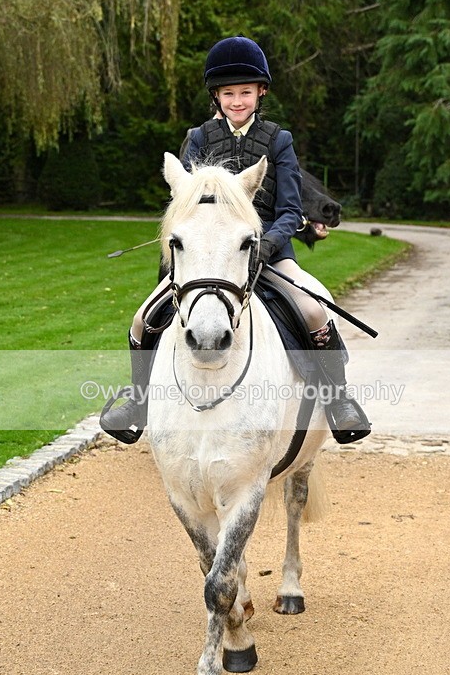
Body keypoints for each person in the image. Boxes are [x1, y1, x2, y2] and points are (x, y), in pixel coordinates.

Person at [100, 36, 370, 443]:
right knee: (144, 319)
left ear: (261, 92)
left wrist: (265, 246)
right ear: (217, 96)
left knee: (313, 310)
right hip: (208, 252)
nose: (238, 101)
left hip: (268, 248)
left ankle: (337, 399)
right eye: (229, 93)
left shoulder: (279, 141)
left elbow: (290, 211)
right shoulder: (199, 138)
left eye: (246, 92)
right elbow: (186, 202)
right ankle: (138, 399)